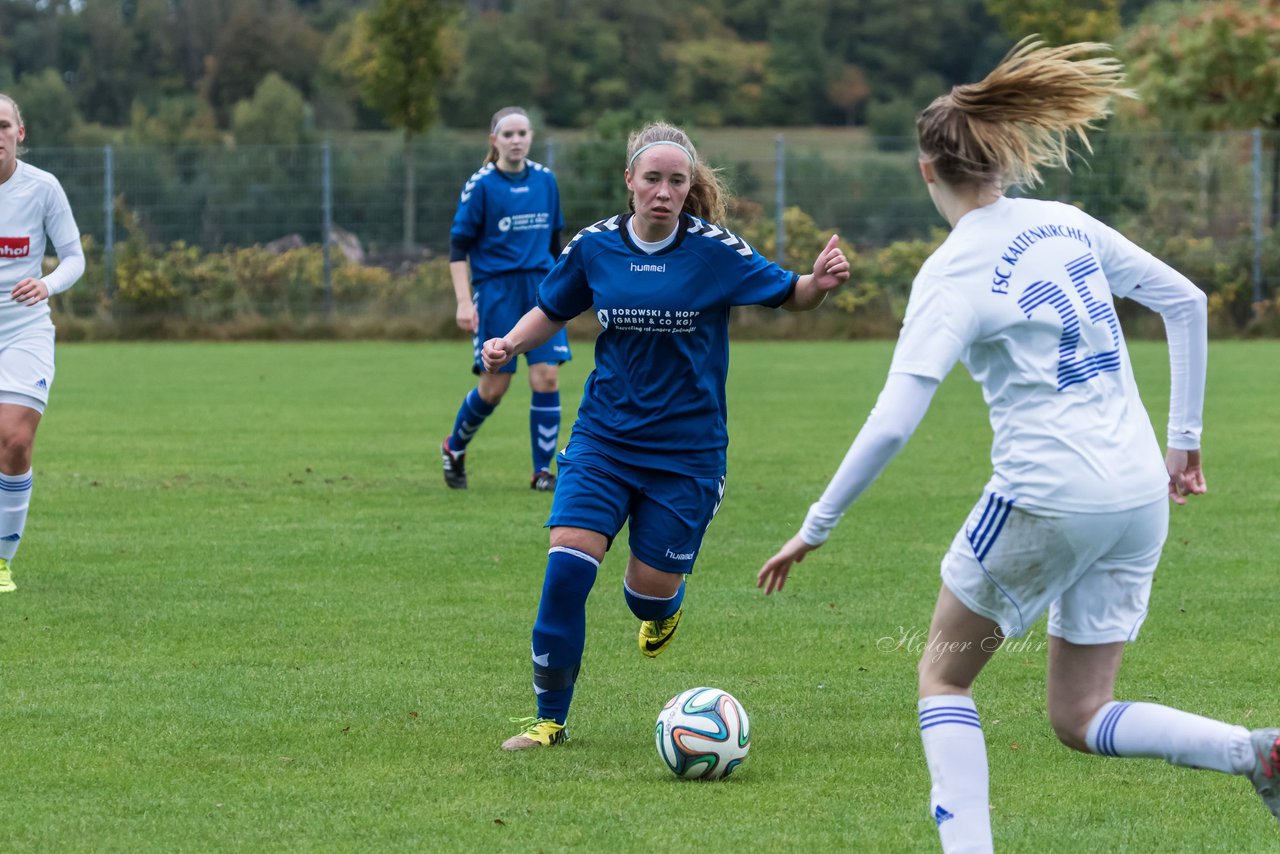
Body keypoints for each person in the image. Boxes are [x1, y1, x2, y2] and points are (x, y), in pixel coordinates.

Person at [756, 39, 1278, 851]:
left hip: (1045, 500)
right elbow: (1188, 301)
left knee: (943, 676)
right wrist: (1184, 443)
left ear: (928, 171)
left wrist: (815, 526)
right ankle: (1256, 753)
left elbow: (894, 420)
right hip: (1139, 497)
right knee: (1081, 715)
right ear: (1001, 159)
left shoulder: (953, 269)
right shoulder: (1066, 224)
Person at [484, 121, 849, 750]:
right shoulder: (595, 246)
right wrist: (509, 344)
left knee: (645, 599)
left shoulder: (714, 250)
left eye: (675, 181)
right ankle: (549, 720)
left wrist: (817, 282)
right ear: (629, 181)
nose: (663, 191)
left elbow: (791, 293)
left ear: (689, 187)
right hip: (604, 440)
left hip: (687, 455)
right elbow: (554, 307)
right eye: (651, 178)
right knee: (567, 572)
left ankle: (663, 610)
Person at [441, 106, 569, 492]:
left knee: (546, 378)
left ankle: (541, 472)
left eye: (522, 133)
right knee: (494, 388)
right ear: (494, 140)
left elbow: (554, 244)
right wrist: (465, 302)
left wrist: (566, 290)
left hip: (540, 290)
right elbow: (457, 249)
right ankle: (454, 447)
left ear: (531, 138)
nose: (516, 140)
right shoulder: (481, 185)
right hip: (495, 292)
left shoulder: (546, 181)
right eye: (508, 134)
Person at [0, 94, 84, 594]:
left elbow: (74, 257)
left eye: (2, 125)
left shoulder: (43, 189)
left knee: (14, 440)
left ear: (19, 134)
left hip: (24, 329)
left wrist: (48, 284)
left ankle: (0, 560)